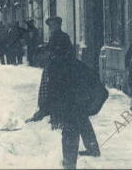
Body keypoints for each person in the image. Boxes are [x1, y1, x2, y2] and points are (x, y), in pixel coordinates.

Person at [26, 16, 107, 169]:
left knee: (70, 129)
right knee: (80, 121)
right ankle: (91, 148)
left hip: (69, 102)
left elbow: (50, 92)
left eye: (52, 25)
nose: (51, 28)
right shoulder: (70, 62)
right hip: (77, 101)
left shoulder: (55, 64)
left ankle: (70, 164)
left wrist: (43, 110)